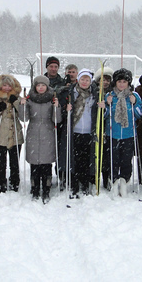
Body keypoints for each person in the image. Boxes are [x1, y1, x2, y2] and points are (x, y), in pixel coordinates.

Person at [99, 68, 142, 197]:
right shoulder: (109, 95)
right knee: (113, 160)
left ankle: (124, 180)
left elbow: (140, 114)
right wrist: (105, 106)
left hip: (129, 134)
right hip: (113, 134)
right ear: (115, 83)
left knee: (126, 160)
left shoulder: (134, 96)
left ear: (128, 83)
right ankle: (113, 181)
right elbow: (105, 115)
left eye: (124, 81)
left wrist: (135, 104)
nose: (122, 84)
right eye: (119, 81)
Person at [20, 76, 61, 203]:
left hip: (48, 132)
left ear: (47, 87)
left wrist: (57, 107)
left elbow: (57, 120)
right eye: (38, 85)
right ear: (35, 87)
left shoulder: (51, 100)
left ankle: (46, 188)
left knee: (46, 163)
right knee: (34, 163)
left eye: (43, 85)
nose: (41, 88)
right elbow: (24, 118)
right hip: (33, 132)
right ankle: (35, 187)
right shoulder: (30, 100)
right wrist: (23, 106)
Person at [62, 68, 98, 197]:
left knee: (86, 159)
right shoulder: (72, 93)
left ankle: (85, 183)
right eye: (82, 79)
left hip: (88, 132)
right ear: (78, 79)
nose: (84, 82)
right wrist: (66, 109)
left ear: (90, 81)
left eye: (87, 79)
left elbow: (99, 114)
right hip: (75, 131)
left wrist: (102, 108)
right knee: (75, 159)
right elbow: (61, 112)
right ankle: (74, 184)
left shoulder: (94, 95)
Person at [0, 74, 23, 193]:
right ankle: (1, 183)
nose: (7, 88)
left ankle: (15, 182)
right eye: (4, 85)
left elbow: (24, 117)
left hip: (15, 134)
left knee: (14, 162)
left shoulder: (17, 98)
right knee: (1, 163)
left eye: (9, 85)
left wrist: (17, 104)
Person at [93, 66, 114, 189]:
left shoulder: (113, 93)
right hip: (96, 127)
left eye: (107, 79)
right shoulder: (94, 91)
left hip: (108, 128)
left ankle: (107, 179)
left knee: (107, 156)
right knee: (96, 155)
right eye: (102, 79)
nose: (105, 82)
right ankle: (94, 179)